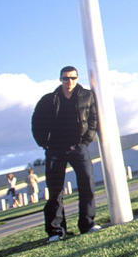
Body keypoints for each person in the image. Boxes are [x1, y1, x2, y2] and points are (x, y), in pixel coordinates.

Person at [31, 66, 102, 242]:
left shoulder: (87, 96)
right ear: (60, 79)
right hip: (55, 150)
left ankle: (87, 224)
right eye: (65, 78)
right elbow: (36, 121)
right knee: (55, 191)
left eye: (72, 78)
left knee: (87, 184)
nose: (69, 81)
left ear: (77, 78)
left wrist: (86, 140)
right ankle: (56, 231)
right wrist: (44, 143)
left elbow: (93, 120)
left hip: (78, 148)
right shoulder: (49, 99)